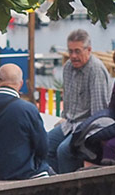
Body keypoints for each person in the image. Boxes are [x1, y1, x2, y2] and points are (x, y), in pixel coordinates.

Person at [45, 29, 111, 173]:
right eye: (70, 51)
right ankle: (52, 182)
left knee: (64, 150)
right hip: (69, 123)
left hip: (87, 126)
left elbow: (98, 113)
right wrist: (63, 118)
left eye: (77, 51)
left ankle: (67, 187)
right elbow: (68, 99)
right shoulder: (68, 67)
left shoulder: (95, 70)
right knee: (45, 143)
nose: (73, 56)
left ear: (89, 50)